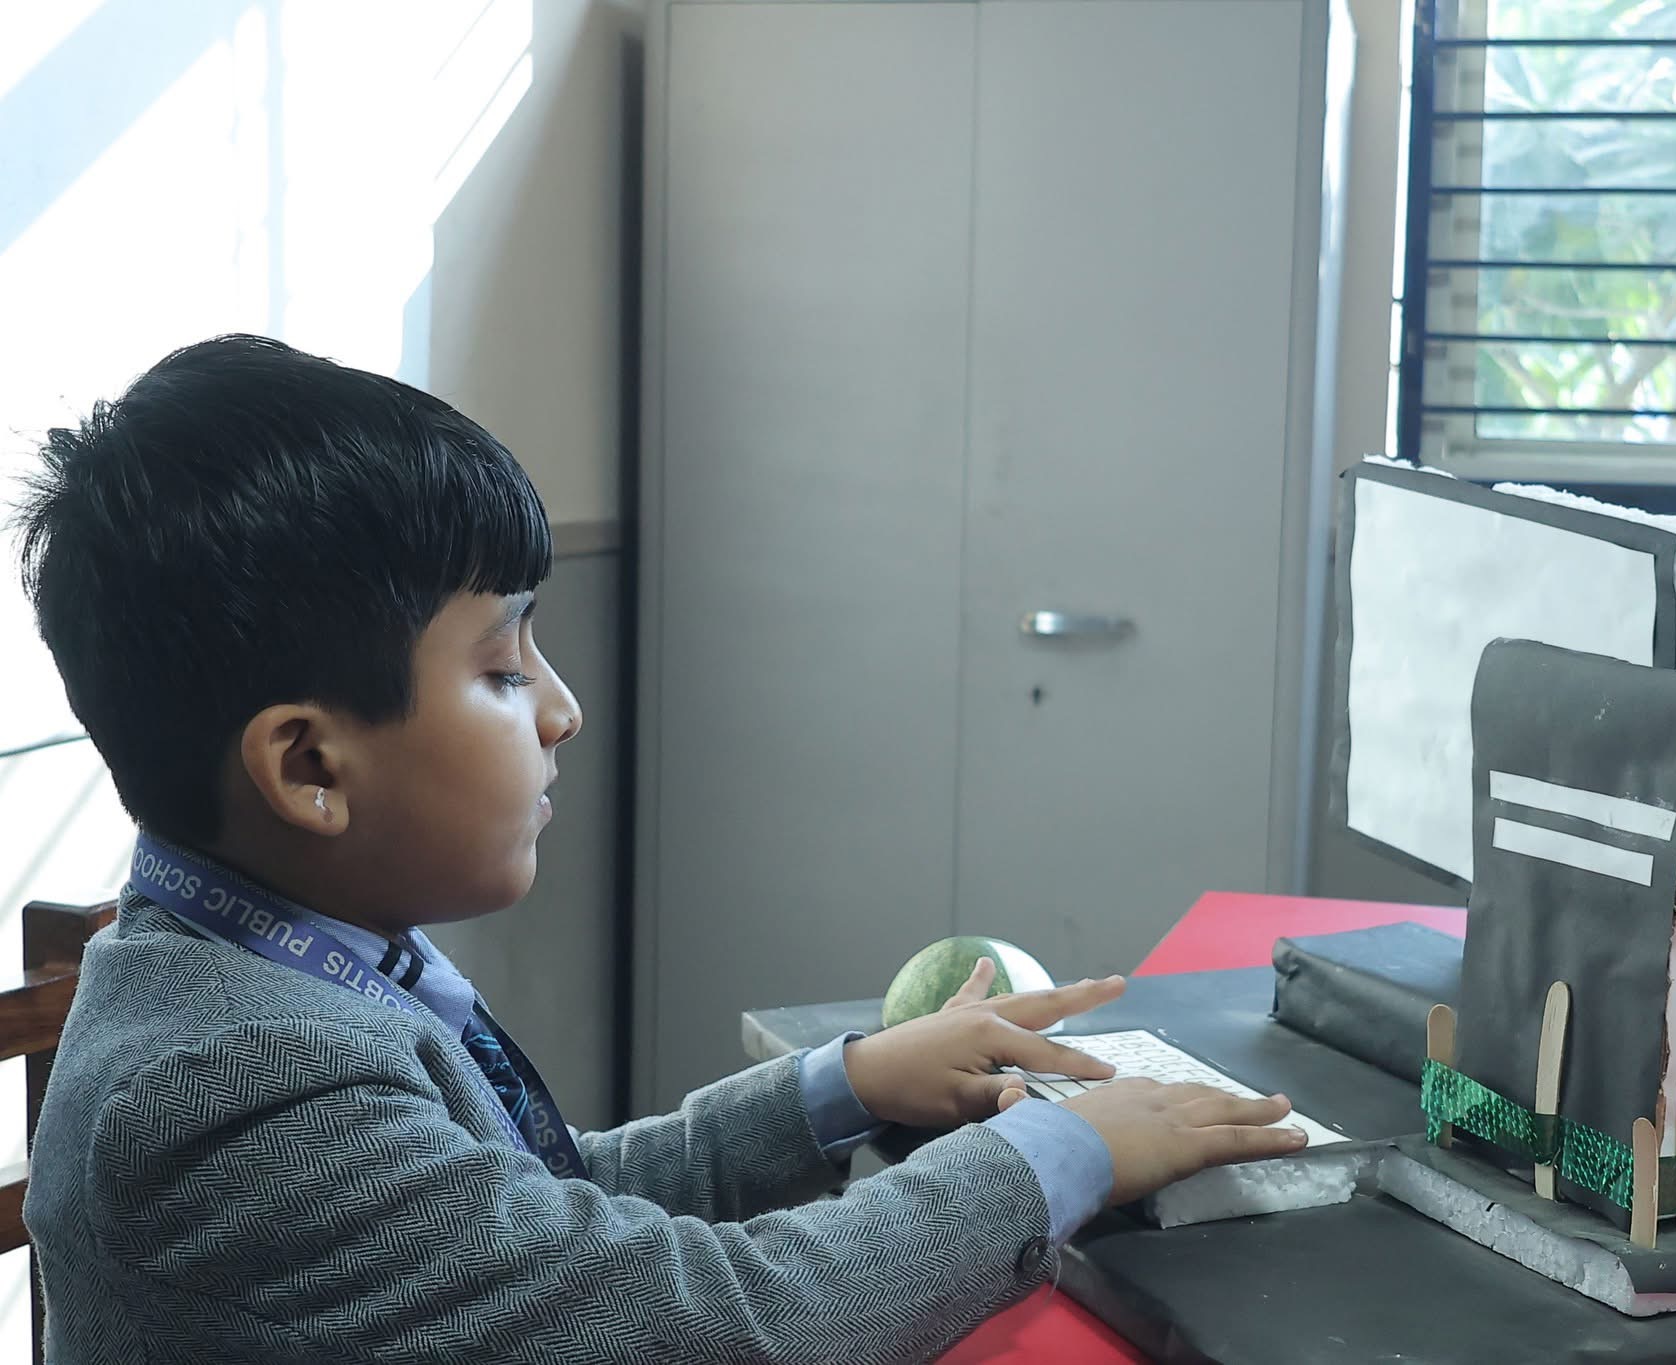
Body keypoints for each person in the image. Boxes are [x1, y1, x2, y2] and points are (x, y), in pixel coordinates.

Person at [13, 335, 1308, 1364]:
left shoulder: (256, 964)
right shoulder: (239, 1091)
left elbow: (549, 1219)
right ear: (308, 767)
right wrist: (1060, 1153)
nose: (562, 709)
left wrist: (848, 1081)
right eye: (503, 668)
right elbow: (722, 1326)